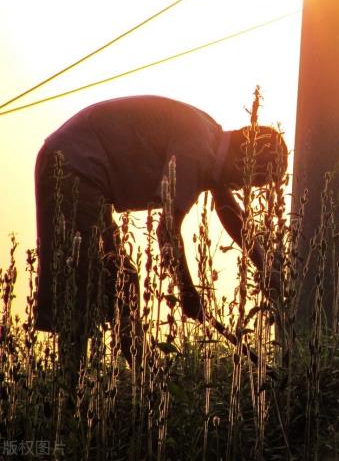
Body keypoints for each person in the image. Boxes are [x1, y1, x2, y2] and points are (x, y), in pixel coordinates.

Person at [34, 94, 287, 376]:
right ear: (245, 156)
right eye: (251, 179)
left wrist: (267, 269)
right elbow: (167, 230)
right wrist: (188, 292)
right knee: (81, 286)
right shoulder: (196, 150)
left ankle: (143, 385)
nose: (244, 187)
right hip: (71, 167)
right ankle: (80, 393)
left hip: (83, 170)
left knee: (120, 281)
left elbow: (228, 211)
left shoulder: (209, 138)